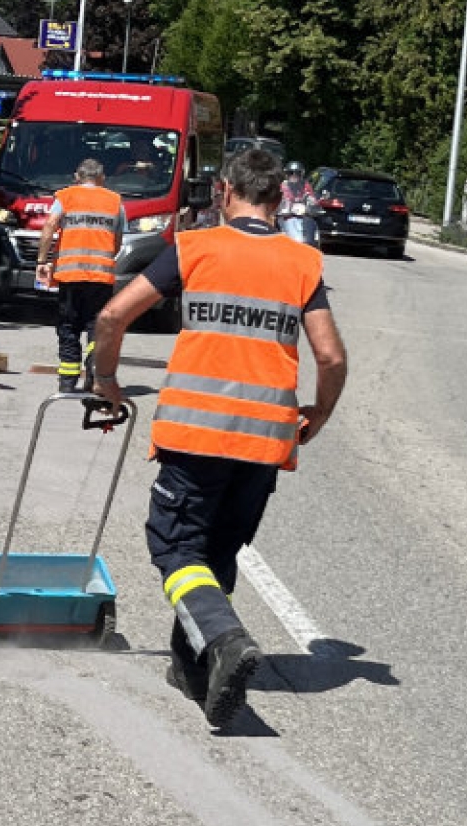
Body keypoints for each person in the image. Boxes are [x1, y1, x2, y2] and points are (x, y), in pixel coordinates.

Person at [88, 149, 350, 729]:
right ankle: (195, 669)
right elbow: (330, 357)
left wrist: (106, 381)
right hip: (264, 442)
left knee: (177, 548)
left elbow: (111, 318)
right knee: (218, 553)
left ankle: (225, 639)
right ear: (279, 198)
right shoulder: (303, 262)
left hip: (195, 433)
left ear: (225, 190)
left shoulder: (194, 247)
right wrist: (317, 418)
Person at [33, 159, 127, 393]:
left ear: (77, 177)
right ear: (102, 178)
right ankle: (94, 374)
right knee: (96, 326)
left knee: (68, 326)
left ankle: (67, 382)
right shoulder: (115, 201)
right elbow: (117, 240)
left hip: (69, 274)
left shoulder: (65, 197)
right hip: (101, 277)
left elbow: (49, 226)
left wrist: (42, 261)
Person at [277, 161, 318, 246]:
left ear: (301, 174)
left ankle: (312, 246)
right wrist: (278, 205)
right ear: (287, 174)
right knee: (275, 227)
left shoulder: (306, 185)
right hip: (285, 216)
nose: (294, 176)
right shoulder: (283, 186)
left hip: (303, 216)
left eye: (297, 173)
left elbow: (311, 196)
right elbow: (276, 197)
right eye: (291, 173)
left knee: (312, 228)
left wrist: (313, 203)